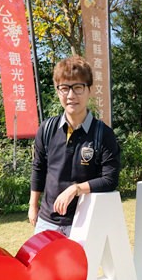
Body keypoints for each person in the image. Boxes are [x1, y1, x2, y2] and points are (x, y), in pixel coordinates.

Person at [29, 55, 120, 236]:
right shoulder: (46, 129)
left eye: (78, 87)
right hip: (47, 221)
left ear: (89, 90)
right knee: (43, 265)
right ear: (57, 91)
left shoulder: (104, 134)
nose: (71, 96)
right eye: (64, 88)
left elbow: (110, 180)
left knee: (81, 266)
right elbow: (38, 169)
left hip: (84, 222)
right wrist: (33, 206)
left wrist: (76, 188)